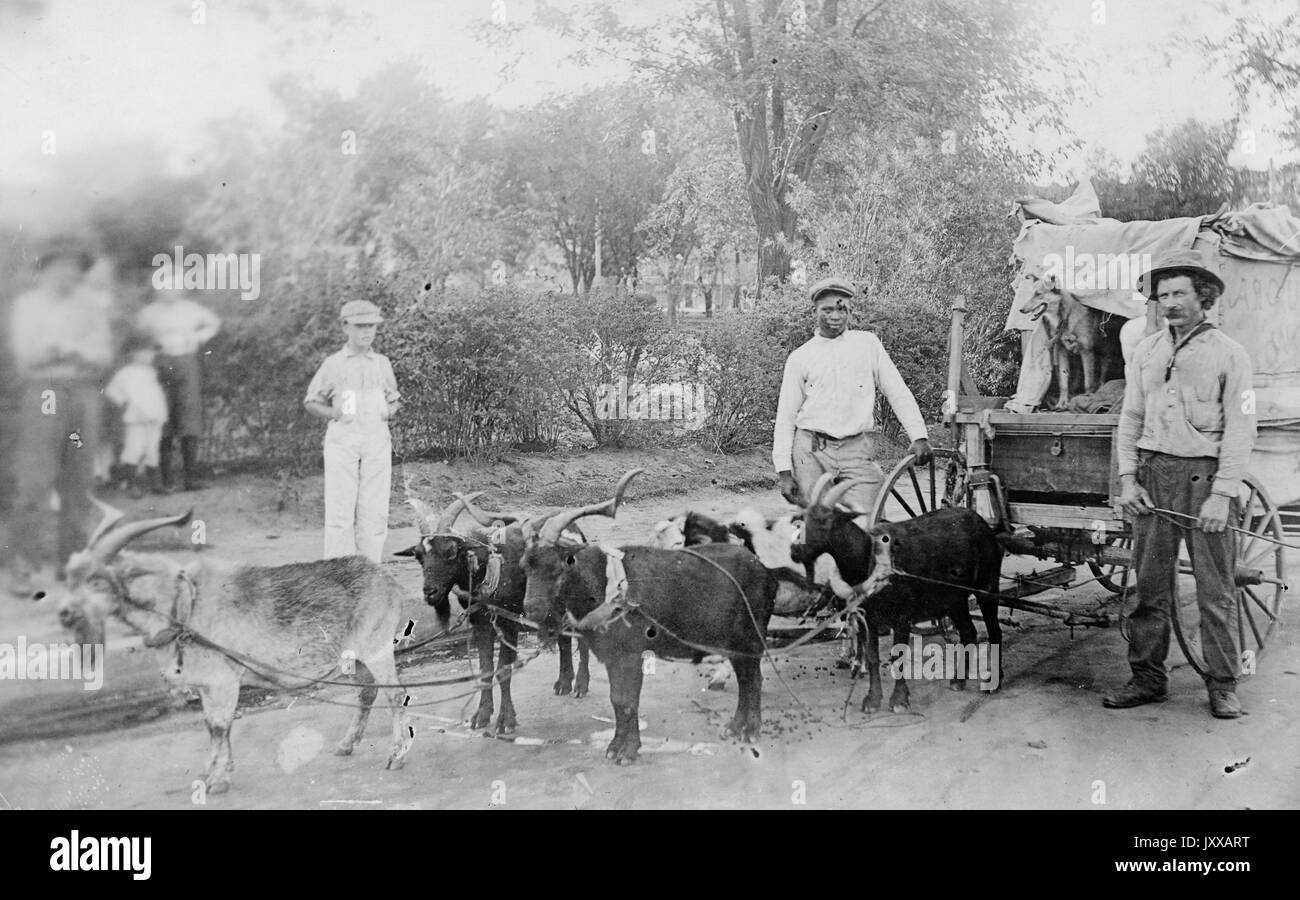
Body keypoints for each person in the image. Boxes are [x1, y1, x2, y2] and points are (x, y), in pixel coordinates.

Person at [1108, 250, 1256, 719]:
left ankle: (1223, 683)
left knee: (1215, 592)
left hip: (1205, 482)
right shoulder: (1147, 351)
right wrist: (1128, 478)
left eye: (1179, 293)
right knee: (1149, 588)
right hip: (1154, 478)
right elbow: (1129, 418)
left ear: (1203, 297)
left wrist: (1223, 493)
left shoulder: (1230, 354)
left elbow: (1242, 426)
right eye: (1162, 294)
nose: (1168, 302)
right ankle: (1148, 678)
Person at [6, 236, 114, 593]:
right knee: (34, 482)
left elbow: (101, 356)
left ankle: (73, 563)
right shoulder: (28, 306)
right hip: (46, 396)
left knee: (78, 481)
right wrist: (74, 350)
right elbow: (29, 356)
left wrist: (62, 348)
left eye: (72, 267)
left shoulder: (91, 307)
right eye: (57, 266)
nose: (65, 274)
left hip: (83, 398)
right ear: (44, 269)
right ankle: (23, 565)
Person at [773, 276, 933, 516]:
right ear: (814, 311)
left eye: (842, 309)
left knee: (870, 523)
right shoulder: (800, 357)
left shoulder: (867, 344)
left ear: (851, 310)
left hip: (856, 448)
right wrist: (784, 471)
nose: (835, 316)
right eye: (827, 310)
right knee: (819, 526)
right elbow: (786, 417)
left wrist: (919, 435)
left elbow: (897, 391)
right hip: (811, 452)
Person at [303, 300, 401, 563]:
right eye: (360, 326)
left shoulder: (381, 363)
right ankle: (338, 575)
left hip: (376, 439)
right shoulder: (334, 364)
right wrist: (333, 413)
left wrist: (387, 410)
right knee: (340, 511)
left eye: (371, 326)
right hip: (343, 440)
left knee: (375, 510)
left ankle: (370, 571)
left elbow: (394, 398)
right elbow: (311, 401)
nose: (366, 332)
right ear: (346, 327)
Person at [137, 287, 221, 491]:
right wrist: (149, 350)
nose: (169, 292)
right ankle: (166, 480)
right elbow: (139, 337)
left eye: (173, 287)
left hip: (186, 360)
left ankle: (190, 478)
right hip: (161, 362)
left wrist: (199, 338)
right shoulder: (149, 313)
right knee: (162, 416)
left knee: (189, 415)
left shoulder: (191, 309)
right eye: (164, 287)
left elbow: (214, 323)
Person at [103, 336, 169, 498]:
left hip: (154, 416)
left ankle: (155, 484)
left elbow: (154, 395)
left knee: (152, 450)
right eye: (145, 353)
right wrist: (124, 403)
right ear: (134, 354)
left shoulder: (151, 372)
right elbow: (111, 391)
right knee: (134, 448)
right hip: (136, 417)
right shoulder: (126, 373)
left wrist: (157, 411)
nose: (150, 356)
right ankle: (130, 484)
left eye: (151, 353)